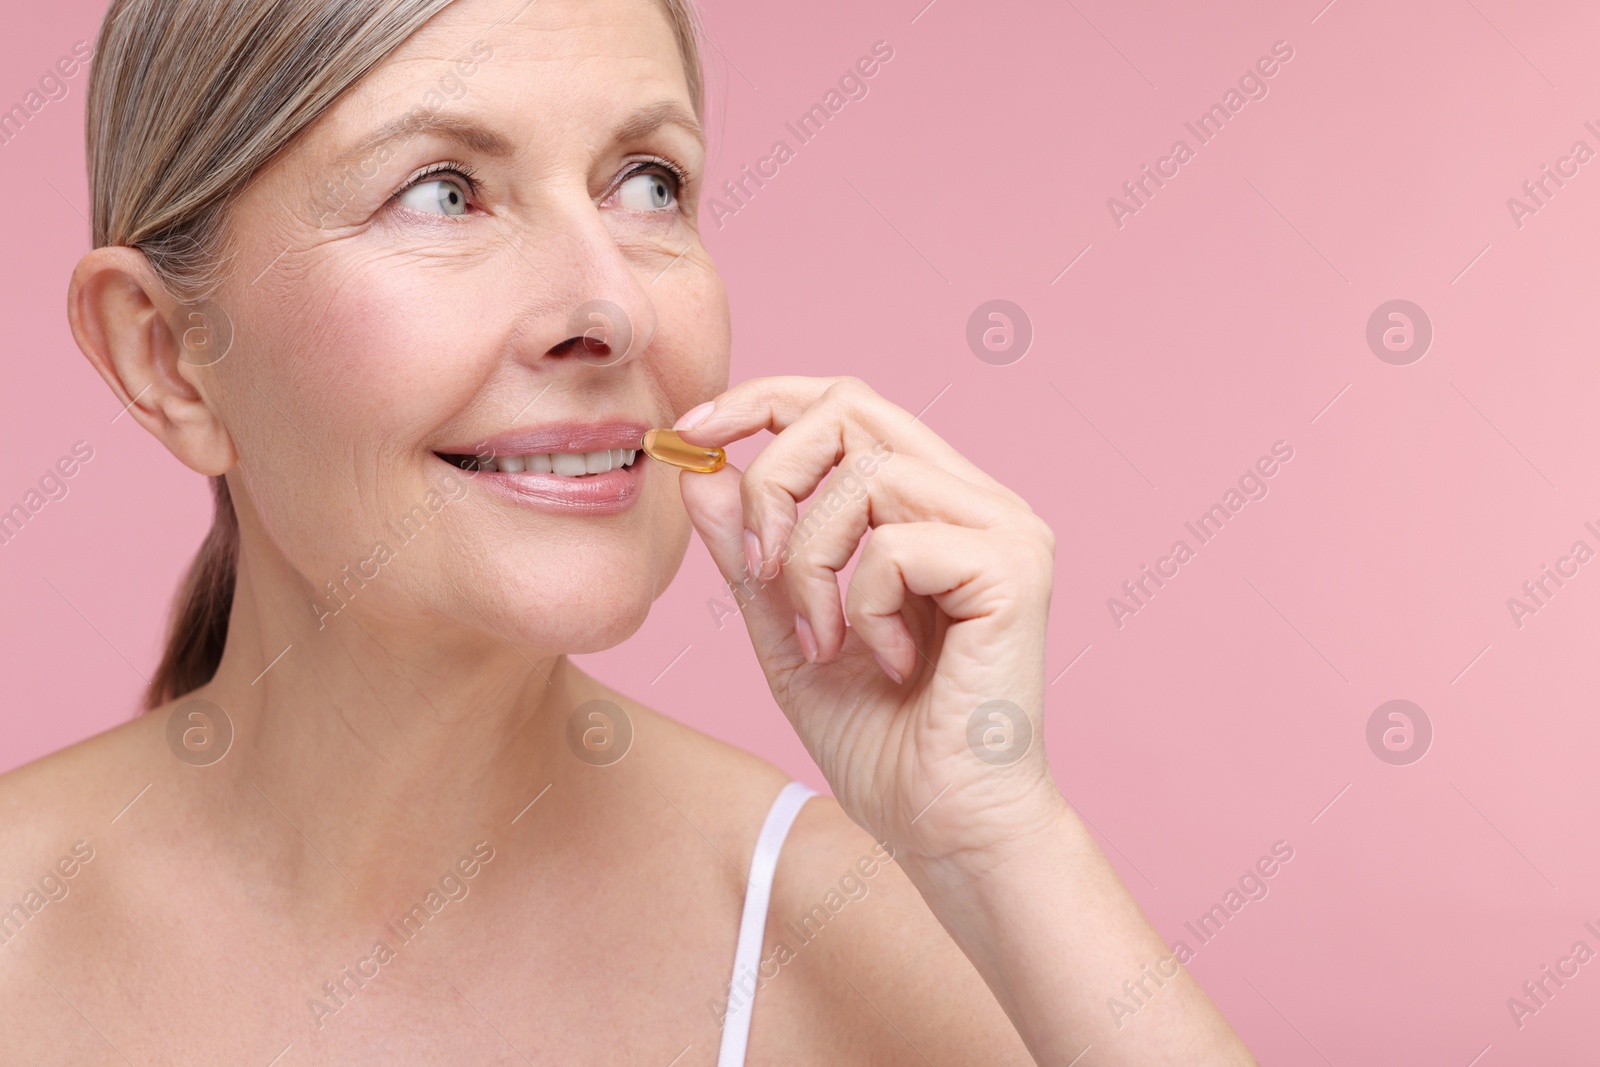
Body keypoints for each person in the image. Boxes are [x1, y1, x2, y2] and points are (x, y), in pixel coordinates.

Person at [0, 0, 1258, 1062]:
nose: (608, 303)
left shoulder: (837, 943)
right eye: (445, 192)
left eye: (647, 184)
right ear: (169, 356)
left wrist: (999, 838)